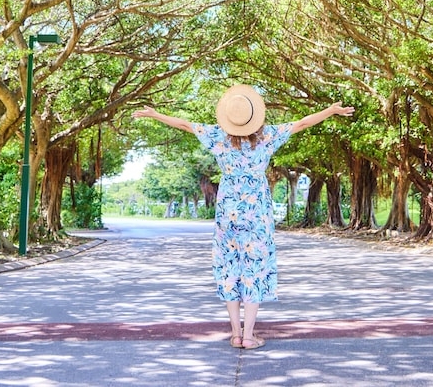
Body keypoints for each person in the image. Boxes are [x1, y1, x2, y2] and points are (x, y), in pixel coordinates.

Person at [132, 85, 354, 350]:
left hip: (228, 211)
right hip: (256, 212)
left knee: (229, 268)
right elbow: (303, 123)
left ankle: (236, 334)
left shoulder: (217, 136)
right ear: (254, 115)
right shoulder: (267, 137)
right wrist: (330, 110)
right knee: (253, 268)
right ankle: (248, 336)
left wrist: (155, 115)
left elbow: (184, 125)